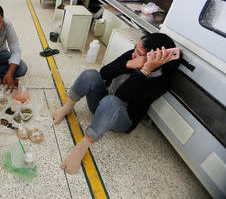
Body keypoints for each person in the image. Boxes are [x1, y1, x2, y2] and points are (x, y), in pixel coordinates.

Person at [53, 33, 180, 175]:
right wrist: (128, 64)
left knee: (111, 101)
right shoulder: (132, 56)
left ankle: (81, 148)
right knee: (90, 74)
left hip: (121, 119)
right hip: (102, 104)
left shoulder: (161, 82)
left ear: (153, 57)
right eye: (135, 48)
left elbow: (122, 95)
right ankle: (67, 108)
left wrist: (145, 70)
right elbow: (104, 72)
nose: (133, 53)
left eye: (139, 52)